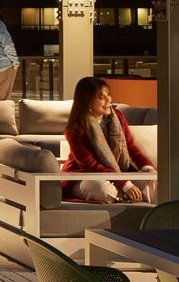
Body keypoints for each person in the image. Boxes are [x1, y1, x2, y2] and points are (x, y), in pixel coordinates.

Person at [61, 75, 155, 203]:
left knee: (152, 183)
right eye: (101, 97)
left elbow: (131, 147)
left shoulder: (117, 117)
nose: (108, 100)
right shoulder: (75, 128)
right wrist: (125, 184)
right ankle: (129, 198)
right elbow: (90, 165)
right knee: (102, 190)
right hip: (84, 175)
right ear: (87, 101)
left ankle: (153, 215)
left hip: (119, 173)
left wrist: (146, 167)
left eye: (108, 95)